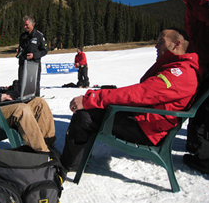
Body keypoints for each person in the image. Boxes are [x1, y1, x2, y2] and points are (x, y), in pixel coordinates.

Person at [60, 28, 201, 171]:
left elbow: (139, 93)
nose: (156, 46)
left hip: (147, 128)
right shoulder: (177, 68)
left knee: (85, 116)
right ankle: (77, 158)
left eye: (161, 42)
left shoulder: (179, 74)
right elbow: (142, 93)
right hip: (145, 119)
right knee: (97, 107)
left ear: (176, 44)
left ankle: (71, 164)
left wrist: (92, 98)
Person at [182, 0, 209, 173]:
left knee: (203, 103)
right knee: (205, 105)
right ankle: (202, 152)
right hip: (204, 59)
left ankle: (197, 145)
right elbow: (207, 14)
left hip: (204, 56)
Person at [17, 16, 48, 97]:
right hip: (23, 64)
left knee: (34, 84)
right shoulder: (23, 36)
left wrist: (34, 55)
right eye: (24, 25)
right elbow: (21, 47)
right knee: (22, 83)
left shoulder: (39, 36)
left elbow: (45, 50)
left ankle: (36, 101)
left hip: (34, 64)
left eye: (27, 25)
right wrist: (19, 51)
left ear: (32, 24)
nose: (25, 27)